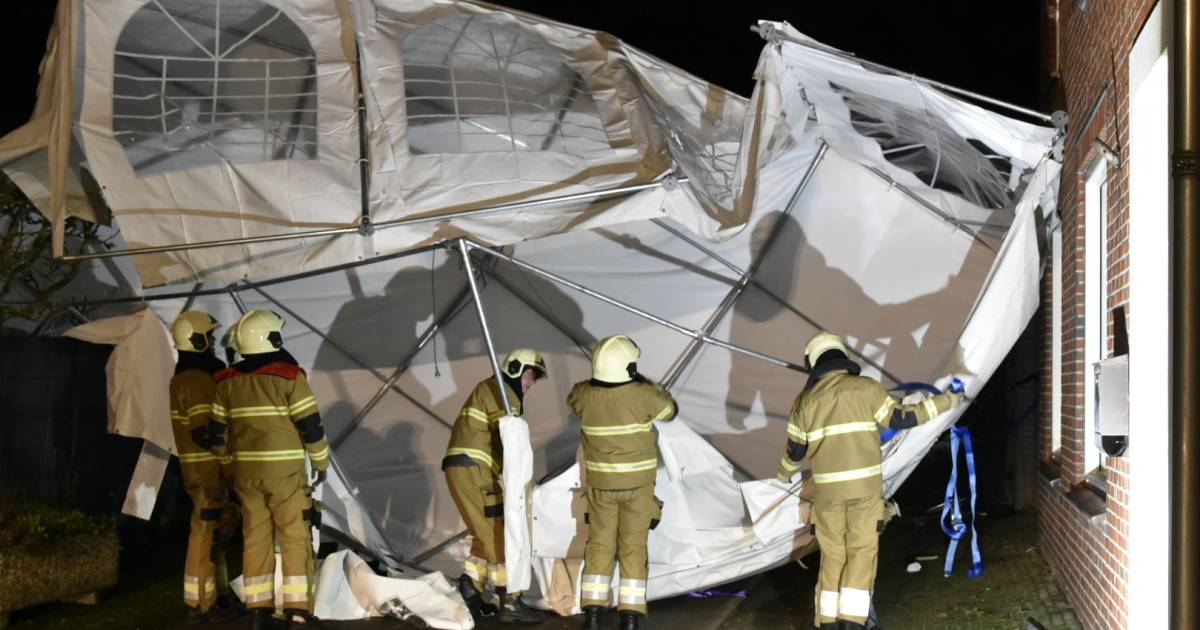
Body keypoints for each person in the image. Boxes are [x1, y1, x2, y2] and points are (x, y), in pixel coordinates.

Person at [778, 332, 964, 630]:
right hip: (864, 495)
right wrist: (948, 400)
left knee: (832, 559)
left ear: (813, 363)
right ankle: (852, 624)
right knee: (861, 557)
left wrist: (782, 474)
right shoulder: (866, 389)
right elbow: (904, 417)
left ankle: (827, 624)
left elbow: (795, 452)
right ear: (841, 357)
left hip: (827, 499)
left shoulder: (803, 403)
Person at [210, 309, 330, 629]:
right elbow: (311, 426)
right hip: (286, 476)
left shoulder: (225, 385)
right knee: (294, 538)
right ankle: (298, 613)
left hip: (246, 476)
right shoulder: (289, 378)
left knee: (255, 539)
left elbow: (217, 435)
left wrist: (227, 467)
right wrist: (321, 461)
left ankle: (257, 611)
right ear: (272, 339)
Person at [570, 335, 677, 630]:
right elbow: (670, 410)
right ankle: (630, 617)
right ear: (629, 367)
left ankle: (592, 614)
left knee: (600, 546)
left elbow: (574, 401)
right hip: (638, 487)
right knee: (633, 548)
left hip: (601, 486)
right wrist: (642, 381)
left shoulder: (582, 394)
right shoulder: (643, 394)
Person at [442, 348, 547, 624]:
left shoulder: (488, 389)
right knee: (497, 534)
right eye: (530, 374)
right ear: (515, 369)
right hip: (473, 469)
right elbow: (508, 440)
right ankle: (509, 599)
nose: (532, 382)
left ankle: (470, 587)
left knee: (488, 531)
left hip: (470, 468)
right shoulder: (503, 392)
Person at [169, 310, 238, 624]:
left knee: (215, 533)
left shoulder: (191, 375)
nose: (212, 342)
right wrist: (226, 461)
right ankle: (198, 604)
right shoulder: (195, 379)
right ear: (195, 340)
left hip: (202, 468)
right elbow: (204, 431)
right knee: (205, 532)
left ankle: (214, 597)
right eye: (208, 337)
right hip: (206, 468)